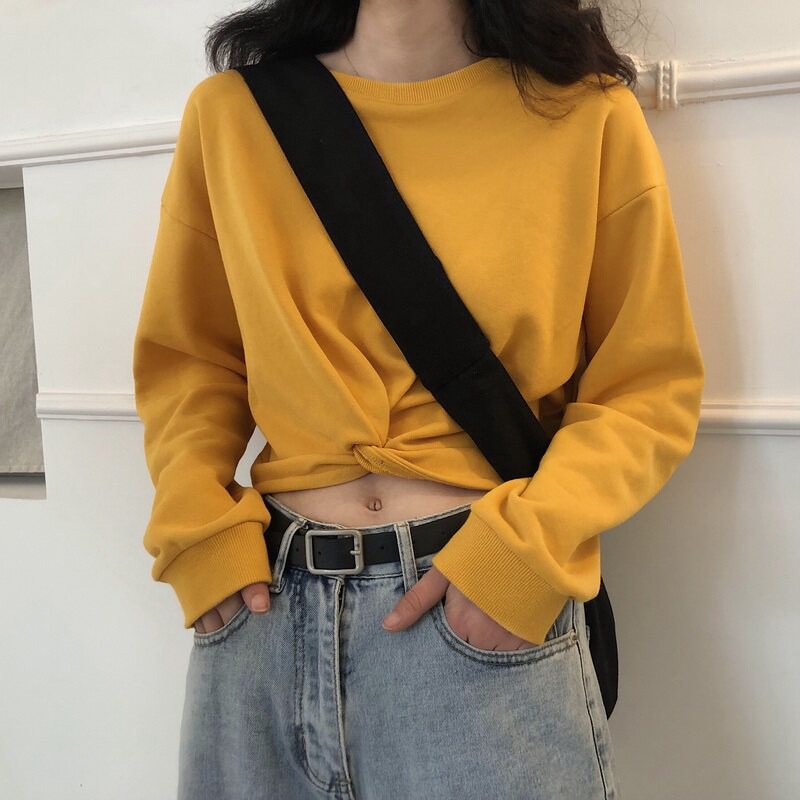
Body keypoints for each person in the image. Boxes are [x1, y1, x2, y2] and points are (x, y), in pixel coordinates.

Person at [132, 1, 705, 798]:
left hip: (477, 615)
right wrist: (200, 539)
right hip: (264, 620)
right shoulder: (232, 117)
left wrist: (521, 560)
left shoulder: (586, 115)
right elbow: (192, 363)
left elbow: (645, 387)